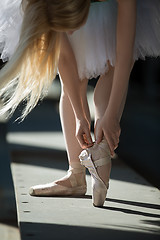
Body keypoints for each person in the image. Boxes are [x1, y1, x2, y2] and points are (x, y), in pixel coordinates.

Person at [0, 0, 160, 207]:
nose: (73, 32)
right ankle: (76, 174)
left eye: (72, 26)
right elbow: (65, 59)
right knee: (75, 75)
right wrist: (80, 116)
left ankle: (101, 154)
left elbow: (124, 56)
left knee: (112, 67)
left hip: (111, 5)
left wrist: (110, 115)